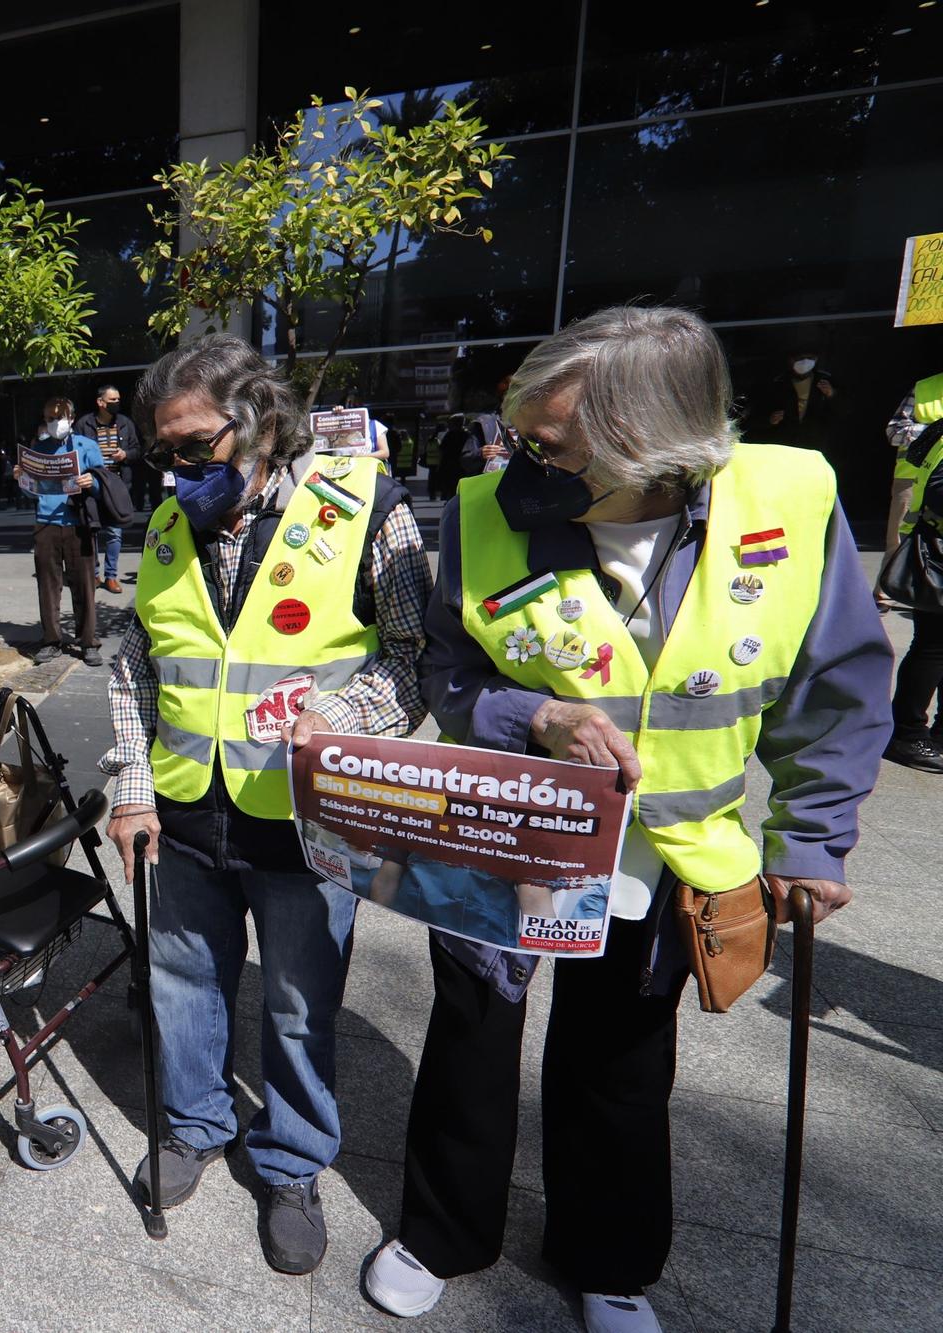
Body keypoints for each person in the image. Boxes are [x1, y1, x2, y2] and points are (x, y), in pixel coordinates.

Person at [368, 306, 891, 1332]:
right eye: (520, 433)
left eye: (551, 445)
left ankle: (606, 1260)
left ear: (645, 444)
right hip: (514, 828)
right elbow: (448, 672)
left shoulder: (786, 500)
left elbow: (833, 683)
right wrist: (536, 713)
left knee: (619, 1060)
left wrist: (811, 840)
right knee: (472, 1033)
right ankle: (439, 1231)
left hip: (667, 853)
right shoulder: (483, 508)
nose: (522, 461)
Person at [101, 336, 431, 1277]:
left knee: (297, 1003)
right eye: (163, 450)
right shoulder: (171, 522)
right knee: (181, 980)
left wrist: (340, 715)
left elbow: (413, 656)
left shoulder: (366, 504)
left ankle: (290, 1162)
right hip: (184, 810)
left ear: (261, 420)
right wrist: (131, 789)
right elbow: (134, 660)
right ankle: (196, 1123)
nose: (177, 468)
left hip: (301, 817)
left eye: (195, 445)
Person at [16, 397, 105, 666]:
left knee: (84, 585)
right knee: (48, 586)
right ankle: (52, 640)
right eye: (49, 418)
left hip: (78, 523)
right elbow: (29, 492)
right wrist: (21, 478)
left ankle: (88, 641)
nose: (55, 423)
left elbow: (104, 486)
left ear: (72, 417)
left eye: (59, 417)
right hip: (46, 524)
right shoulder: (38, 449)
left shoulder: (87, 446)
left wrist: (92, 482)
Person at [881, 372, 943, 608]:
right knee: (900, 539)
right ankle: (889, 590)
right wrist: (934, 431)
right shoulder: (926, 388)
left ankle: (928, 592)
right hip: (913, 478)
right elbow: (894, 432)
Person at [86, 384, 140, 593]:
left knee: (114, 533)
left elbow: (137, 449)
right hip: (92, 486)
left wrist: (125, 455)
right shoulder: (85, 424)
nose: (117, 403)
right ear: (101, 402)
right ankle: (93, 575)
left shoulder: (125, 424)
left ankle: (111, 576)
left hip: (116, 486)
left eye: (118, 399)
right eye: (112, 400)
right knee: (91, 532)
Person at [755, 344, 841, 453]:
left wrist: (832, 394)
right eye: (800, 359)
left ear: (816, 359)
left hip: (816, 445)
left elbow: (844, 411)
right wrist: (770, 420)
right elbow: (757, 416)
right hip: (785, 445)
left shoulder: (826, 380)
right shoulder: (777, 383)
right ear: (790, 360)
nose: (805, 362)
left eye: (810, 358)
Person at [462, 377, 519, 477]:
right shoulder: (484, 422)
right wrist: (481, 453)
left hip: (523, 483)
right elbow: (466, 460)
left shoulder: (533, 423)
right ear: (502, 397)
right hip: (494, 483)